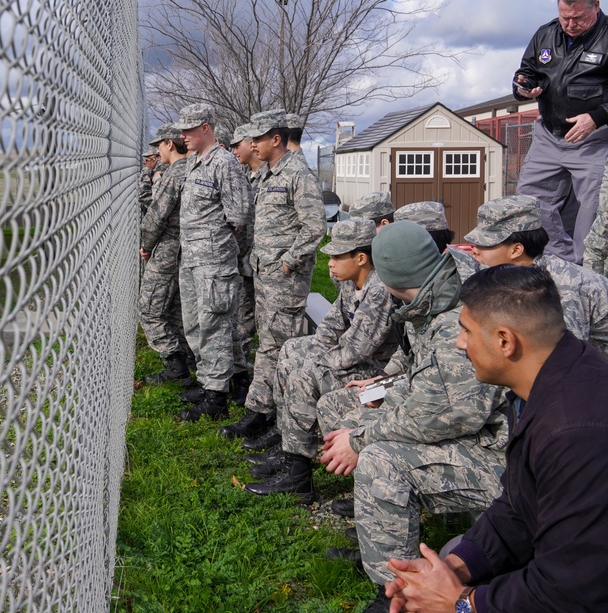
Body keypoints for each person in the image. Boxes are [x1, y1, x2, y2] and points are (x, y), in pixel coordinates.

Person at [385, 265, 608, 613]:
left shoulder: (574, 433)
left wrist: (459, 603)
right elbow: (519, 505)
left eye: (466, 331)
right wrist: (453, 569)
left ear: (505, 341)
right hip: (571, 571)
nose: (460, 343)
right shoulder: (549, 376)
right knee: (454, 552)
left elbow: (569, 592)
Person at [317, 221, 507, 613]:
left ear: (386, 277)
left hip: (498, 453)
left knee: (380, 461)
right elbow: (423, 379)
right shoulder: (434, 291)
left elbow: (456, 415)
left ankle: (400, 592)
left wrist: (361, 439)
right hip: (457, 421)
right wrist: (381, 392)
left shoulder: (453, 314)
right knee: (341, 409)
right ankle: (383, 540)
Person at [243, 218, 399, 496]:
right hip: (354, 361)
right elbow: (330, 328)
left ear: (361, 258)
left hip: (375, 372)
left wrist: (312, 367)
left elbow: (355, 350)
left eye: (338, 256)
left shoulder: (379, 290)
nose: (330, 263)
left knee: (304, 378)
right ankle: (287, 440)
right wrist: (311, 358)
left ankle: (298, 475)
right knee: (291, 350)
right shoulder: (352, 282)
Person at [222, 109, 325, 442]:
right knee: (270, 344)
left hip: (285, 279)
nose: (252, 144)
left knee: (277, 346)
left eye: (257, 138)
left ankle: (271, 416)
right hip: (265, 275)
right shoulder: (268, 174)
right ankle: (267, 412)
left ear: (275, 139)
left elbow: (315, 227)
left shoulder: (298, 173)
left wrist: (288, 262)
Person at [512, 0, 608, 263]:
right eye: (564, 16)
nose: (570, 24)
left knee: (592, 210)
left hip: (594, 140)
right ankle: (560, 263)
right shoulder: (546, 34)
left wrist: (595, 116)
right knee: (529, 203)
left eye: (578, 18)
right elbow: (526, 70)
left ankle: (588, 273)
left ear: (597, 6)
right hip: (549, 136)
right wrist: (524, 85)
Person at [173, 103, 253, 420]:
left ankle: (216, 398)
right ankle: (221, 379)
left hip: (214, 261)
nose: (183, 135)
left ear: (206, 127)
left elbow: (241, 213)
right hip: (191, 259)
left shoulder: (224, 163)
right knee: (195, 323)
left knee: (215, 327)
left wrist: (215, 236)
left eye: (189, 129)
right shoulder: (196, 163)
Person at [464, 194, 608, 354]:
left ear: (516, 250)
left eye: (484, 244)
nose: (474, 250)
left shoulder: (562, 286)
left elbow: (566, 358)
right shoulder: (520, 275)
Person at [140, 123, 196, 385]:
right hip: (190, 249)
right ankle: (187, 358)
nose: (157, 151)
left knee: (149, 309)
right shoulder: (196, 169)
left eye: (159, 145)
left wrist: (147, 245)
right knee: (174, 308)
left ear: (169, 144)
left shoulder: (173, 175)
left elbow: (156, 217)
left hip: (167, 249)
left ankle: (175, 364)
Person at [229, 123, 262, 383]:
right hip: (245, 260)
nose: (233, 150)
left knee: (266, 325)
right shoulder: (242, 175)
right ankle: (244, 375)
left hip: (267, 263)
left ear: (251, 144)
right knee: (242, 318)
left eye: (236, 144)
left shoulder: (272, 174)